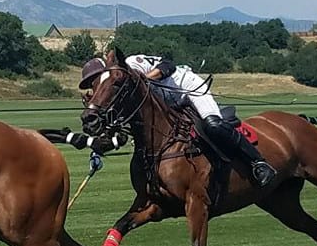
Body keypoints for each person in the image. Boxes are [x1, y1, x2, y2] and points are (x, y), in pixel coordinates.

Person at [80, 54, 276, 187]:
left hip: (188, 88)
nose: (94, 86)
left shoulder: (133, 63)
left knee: (213, 125)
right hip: (169, 104)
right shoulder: (121, 91)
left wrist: (147, 78)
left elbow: (168, 64)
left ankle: (258, 163)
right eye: (91, 85)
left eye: (94, 81)